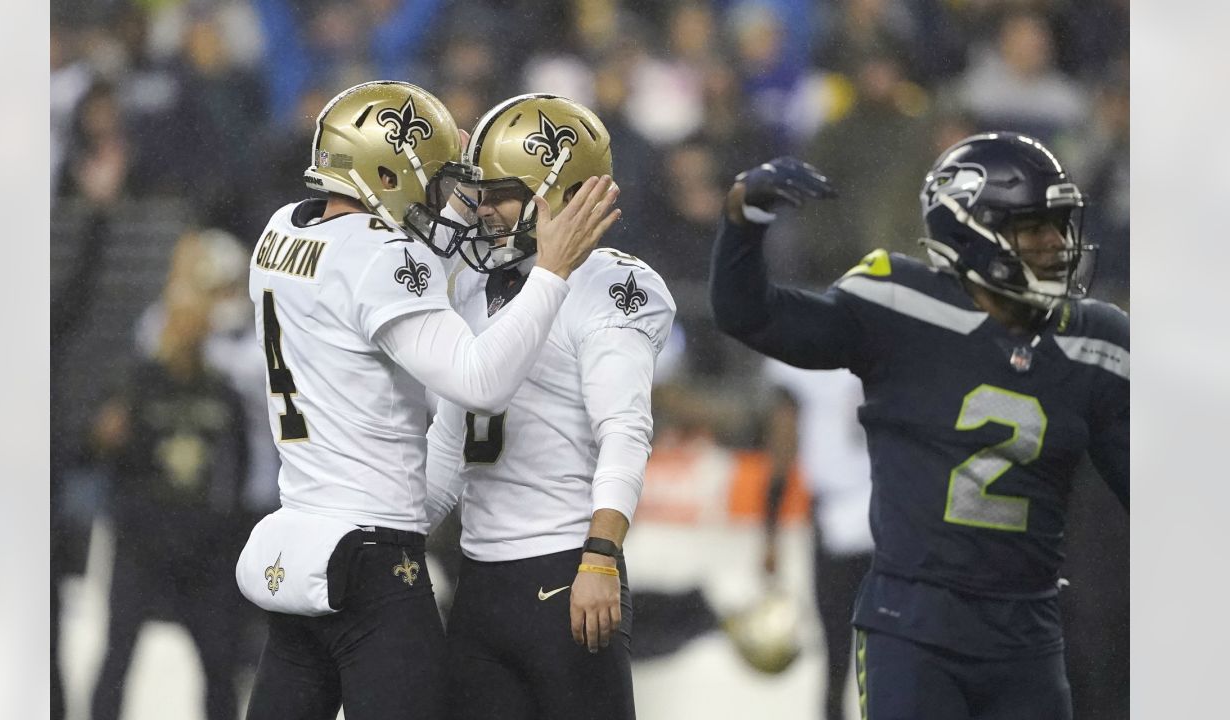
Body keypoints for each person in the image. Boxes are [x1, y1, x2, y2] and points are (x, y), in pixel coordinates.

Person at [709, 132, 1128, 719]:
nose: (1056, 244)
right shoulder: (898, 304)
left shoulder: (1095, 340)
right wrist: (743, 220)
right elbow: (749, 314)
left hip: (1030, 632)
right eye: (1035, 227)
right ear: (970, 231)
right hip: (914, 629)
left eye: (1060, 226)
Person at [239, 81, 619, 720]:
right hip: (374, 563)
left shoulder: (279, 232)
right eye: (434, 182)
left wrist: (443, 215)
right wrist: (550, 273)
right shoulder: (379, 258)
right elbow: (479, 382)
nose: (444, 202)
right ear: (387, 172)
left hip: (299, 544)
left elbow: (379, 278)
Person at [422, 94, 676, 720]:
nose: (483, 211)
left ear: (556, 195)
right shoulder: (472, 281)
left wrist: (601, 554)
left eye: (500, 194)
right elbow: (449, 442)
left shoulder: (610, 287)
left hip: (566, 568)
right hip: (478, 576)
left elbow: (625, 430)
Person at [88, 291, 249, 720]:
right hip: (142, 539)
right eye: (180, 324)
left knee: (219, 664)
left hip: (204, 544)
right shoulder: (135, 384)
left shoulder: (223, 392)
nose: (187, 334)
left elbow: (241, 466)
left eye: (196, 325)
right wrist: (104, 440)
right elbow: (100, 451)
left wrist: (226, 528)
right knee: (117, 656)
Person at [761, 362, 874, 720]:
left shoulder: (804, 347)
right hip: (893, 510)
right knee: (890, 649)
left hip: (836, 514)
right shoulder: (882, 330)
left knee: (837, 652)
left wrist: (770, 533)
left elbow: (782, 445)